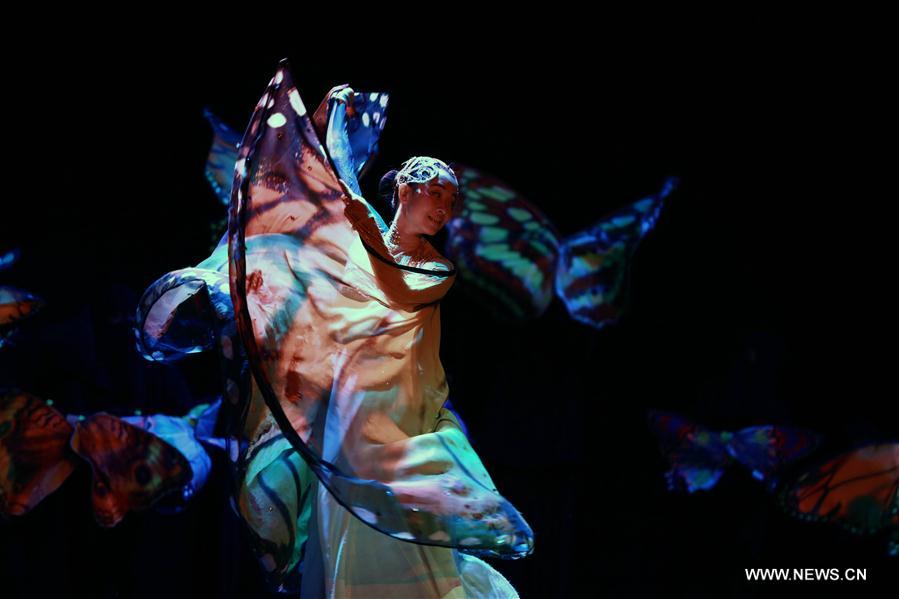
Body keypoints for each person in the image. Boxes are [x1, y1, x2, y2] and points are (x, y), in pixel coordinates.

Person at [224, 61, 533, 598]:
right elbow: (332, 205)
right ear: (405, 191)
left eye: (451, 202)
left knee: (404, 535)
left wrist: (341, 144)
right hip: (349, 408)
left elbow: (366, 227)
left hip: (399, 417)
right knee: (349, 533)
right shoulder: (353, 252)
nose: (444, 209)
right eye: (435, 193)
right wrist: (333, 124)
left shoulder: (434, 271)